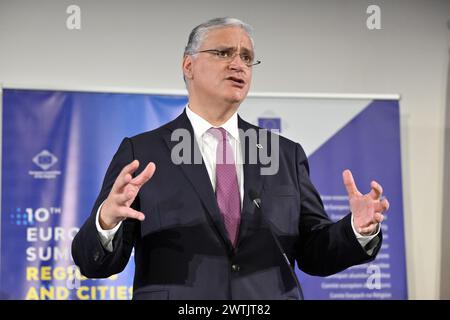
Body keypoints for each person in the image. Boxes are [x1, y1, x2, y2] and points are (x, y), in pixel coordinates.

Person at [71, 17, 389, 300]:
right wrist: (106, 223)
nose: (238, 64)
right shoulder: (142, 152)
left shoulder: (284, 154)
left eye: (247, 57)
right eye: (224, 53)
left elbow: (314, 254)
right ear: (188, 65)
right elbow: (92, 264)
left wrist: (356, 229)